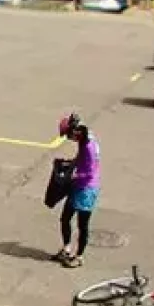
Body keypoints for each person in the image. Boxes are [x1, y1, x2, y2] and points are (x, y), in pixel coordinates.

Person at [55, 113, 100, 268]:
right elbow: (80, 159)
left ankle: (79, 256)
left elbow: (90, 172)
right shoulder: (83, 140)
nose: (69, 139)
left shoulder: (89, 147)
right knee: (65, 217)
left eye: (68, 135)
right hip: (77, 187)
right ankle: (67, 249)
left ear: (75, 131)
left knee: (83, 225)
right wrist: (70, 164)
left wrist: (74, 175)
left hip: (87, 190)